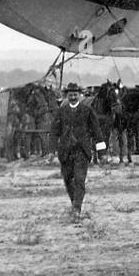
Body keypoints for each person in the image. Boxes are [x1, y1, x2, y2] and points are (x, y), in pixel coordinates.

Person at [51, 82, 104, 220]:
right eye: (70, 95)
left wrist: (102, 153)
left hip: (82, 152)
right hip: (65, 153)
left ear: (79, 95)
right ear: (67, 96)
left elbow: (97, 131)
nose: (73, 97)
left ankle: (77, 209)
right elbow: (54, 132)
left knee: (80, 180)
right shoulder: (61, 112)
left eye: (75, 95)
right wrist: (51, 151)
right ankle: (75, 202)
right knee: (68, 180)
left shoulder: (87, 111)